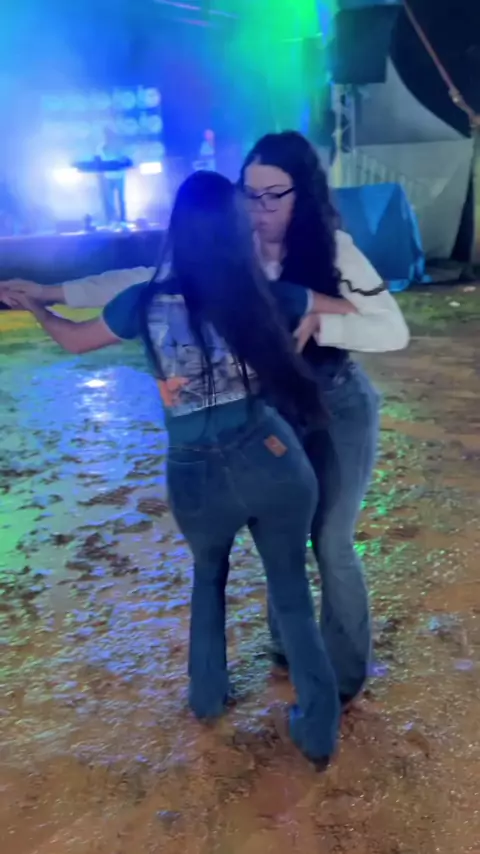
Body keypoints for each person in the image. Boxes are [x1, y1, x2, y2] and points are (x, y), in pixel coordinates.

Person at [7, 170, 349, 767]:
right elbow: (342, 307)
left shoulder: (143, 302)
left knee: (208, 577)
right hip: (272, 455)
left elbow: (73, 341)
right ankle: (318, 731)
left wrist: (37, 304)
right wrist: (310, 324)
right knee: (292, 591)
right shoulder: (267, 293)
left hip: (197, 473)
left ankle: (208, 697)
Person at [239, 131, 409, 707]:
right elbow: (155, 279)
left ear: (303, 194)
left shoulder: (334, 250)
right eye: (251, 194)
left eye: (275, 195)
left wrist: (323, 323)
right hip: (273, 412)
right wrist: (55, 291)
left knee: (331, 539)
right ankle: (288, 645)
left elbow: (392, 329)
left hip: (339, 406)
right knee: (279, 534)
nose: (261, 209)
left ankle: (344, 675)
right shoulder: (236, 251)